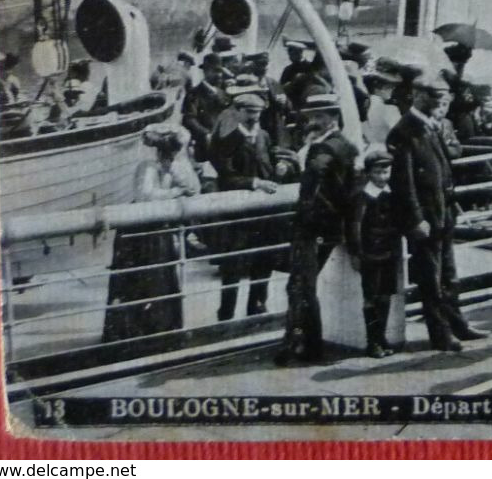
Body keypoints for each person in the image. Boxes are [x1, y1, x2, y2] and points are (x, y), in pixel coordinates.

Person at [388, 72, 487, 351]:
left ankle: (457, 323)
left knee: (449, 274)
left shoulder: (432, 126)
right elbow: (404, 182)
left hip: (443, 213)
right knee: (430, 278)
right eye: (435, 96)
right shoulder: (405, 131)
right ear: (418, 95)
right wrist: (416, 218)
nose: (440, 102)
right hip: (425, 219)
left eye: (442, 97)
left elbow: (443, 170)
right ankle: (440, 333)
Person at [275, 97, 359, 365]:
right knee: (302, 285)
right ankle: (301, 342)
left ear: (333, 118)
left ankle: (304, 345)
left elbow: (317, 171)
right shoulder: (346, 145)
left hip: (313, 227)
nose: (312, 121)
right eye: (311, 115)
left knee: (300, 285)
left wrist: (295, 163)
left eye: (318, 116)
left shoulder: (324, 147)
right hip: (332, 226)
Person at [102, 124, 200, 345]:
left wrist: (179, 177)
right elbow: (145, 196)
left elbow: (194, 188)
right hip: (139, 228)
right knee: (140, 278)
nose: (173, 156)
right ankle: (134, 331)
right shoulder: (147, 167)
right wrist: (176, 191)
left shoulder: (178, 165)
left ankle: (161, 328)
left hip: (160, 229)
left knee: (162, 277)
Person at [208, 89, 279, 321]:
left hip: (262, 213)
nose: (254, 116)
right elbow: (226, 177)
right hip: (237, 213)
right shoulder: (226, 142)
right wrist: (255, 182)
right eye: (249, 111)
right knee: (233, 266)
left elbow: (271, 164)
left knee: (263, 261)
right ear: (237, 112)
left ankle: (257, 307)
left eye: (258, 112)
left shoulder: (265, 137)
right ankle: (226, 314)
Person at [345, 147, 402, 358]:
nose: (382, 177)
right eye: (377, 172)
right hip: (370, 254)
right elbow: (354, 227)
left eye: (386, 172)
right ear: (369, 173)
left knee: (385, 296)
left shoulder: (391, 193)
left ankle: (381, 336)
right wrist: (356, 253)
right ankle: (373, 341)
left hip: (389, 252)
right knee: (371, 297)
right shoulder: (362, 196)